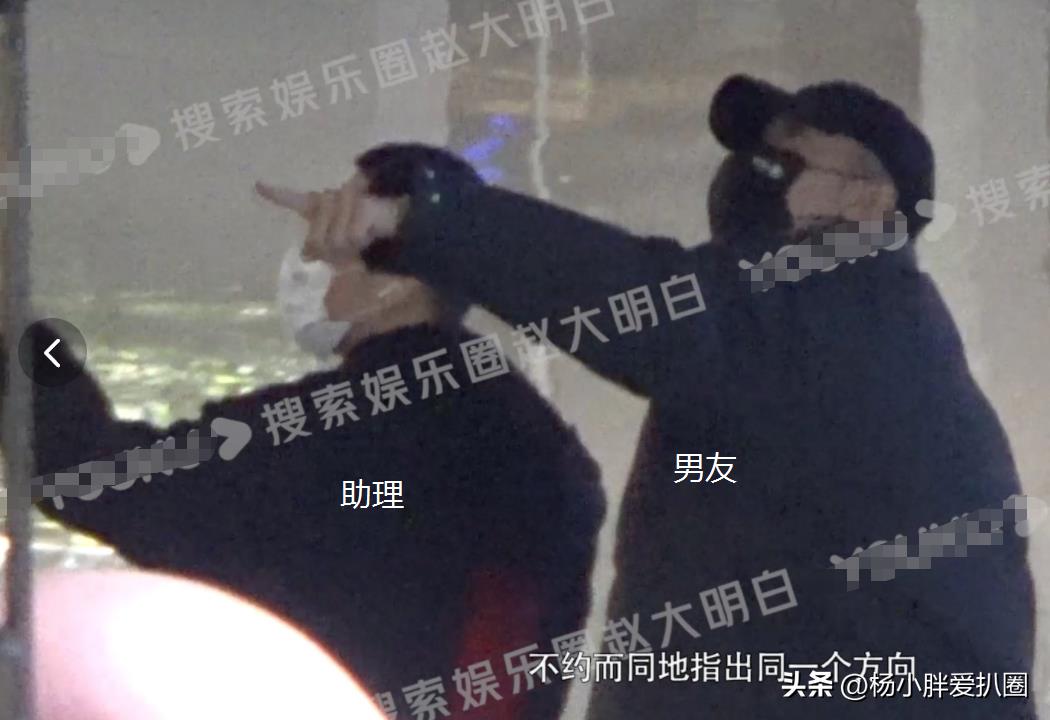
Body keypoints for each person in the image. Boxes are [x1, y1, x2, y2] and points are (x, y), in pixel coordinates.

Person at [262, 77, 1039, 718]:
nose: (755, 174)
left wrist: (427, 216)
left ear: (869, 203)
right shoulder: (829, 348)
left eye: (787, 158)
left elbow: (637, 299)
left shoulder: (840, 305)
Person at [8, 147, 605, 719]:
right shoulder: (531, 438)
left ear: (397, 284)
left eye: (331, 248)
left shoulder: (355, 434)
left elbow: (98, 474)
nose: (306, 264)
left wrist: (21, 337)